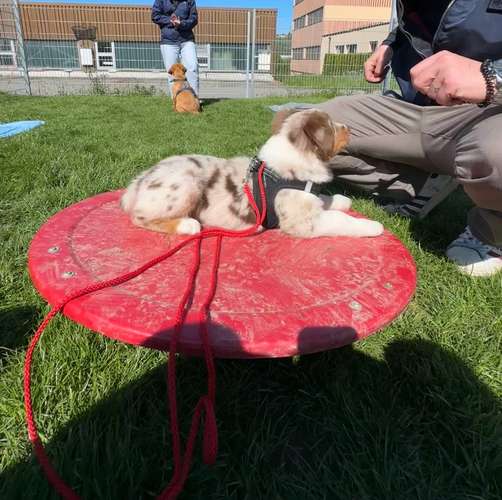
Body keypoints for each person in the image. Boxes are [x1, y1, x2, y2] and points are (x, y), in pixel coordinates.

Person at [315, 0, 502, 277]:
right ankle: (423, 184)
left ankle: (491, 233)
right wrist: (390, 43)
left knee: (496, 152)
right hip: (417, 110)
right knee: (311, 129)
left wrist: (493, 76)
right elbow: (419, 26)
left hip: (486, 111)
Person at [151, 0, 199, 97]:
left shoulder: (190, 1)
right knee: (171, 73)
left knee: (192, 68)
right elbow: (155, 16)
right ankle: (176, 100)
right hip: (168, 41)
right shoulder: (161, 1)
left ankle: (194, 99)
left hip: (186, 40)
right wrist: (170, 20)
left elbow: (194, 19)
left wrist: (181, 23)